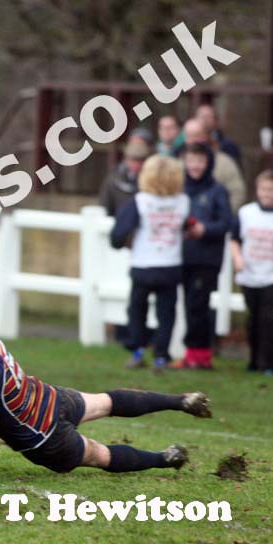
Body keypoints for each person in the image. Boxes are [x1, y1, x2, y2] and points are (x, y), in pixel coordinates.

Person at [0, 306, 212, 474]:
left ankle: (164, 459)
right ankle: (181, 400)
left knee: (100, 455)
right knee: (108, 401)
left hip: (46, 437)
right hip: (50, 397)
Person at [111, 156, 189, 371]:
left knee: (137, 310)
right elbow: (188, 227)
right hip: (170, 265)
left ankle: (137, 351)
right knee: (166, 314)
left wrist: (121, 243)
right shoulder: (183, 202)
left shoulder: (140, 201)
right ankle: (161, 357)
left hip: (143, 265)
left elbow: (118, 233)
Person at [172, 143, 231, 370]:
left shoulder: (217, 191)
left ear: (208, 163)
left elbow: (226, 223)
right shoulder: (180, 189)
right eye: (191, 160)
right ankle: (192, 355)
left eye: (200, 161)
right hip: (183, 257)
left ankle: (202, 355)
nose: (195, 165)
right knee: (189, 305)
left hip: (206, 259)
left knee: (199, 305)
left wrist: (204, 230)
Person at [230, 169, 273, 374]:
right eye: (264, 189)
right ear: (257, 190)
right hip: (249, 275)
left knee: (268, 319)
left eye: (271, 190)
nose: (267, 194)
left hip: (270, 276)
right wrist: (237, 258)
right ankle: (253, 361)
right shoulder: (246, 213)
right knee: (253, 318)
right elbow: (235, 239)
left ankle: (267, 363)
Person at [180, 118, 245, 212]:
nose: (192, 140)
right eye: (188, 136)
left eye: (196, 135)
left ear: (206, 136)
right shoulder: (178, 161)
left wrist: (220, 215)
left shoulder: (225, 162)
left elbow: (237, 193)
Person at [99, 140, 151, 217]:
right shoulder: (113, 179)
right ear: (126, 159)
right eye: (133, 160)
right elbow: (105, 205)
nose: (136, 165)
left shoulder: (152, 181)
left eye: (140, 160)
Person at [196, 103, 242, 168]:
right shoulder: (187, 140)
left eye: (208, 117)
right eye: (202, 117)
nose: (205, 120)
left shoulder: (228, 145)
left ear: (215, 120)